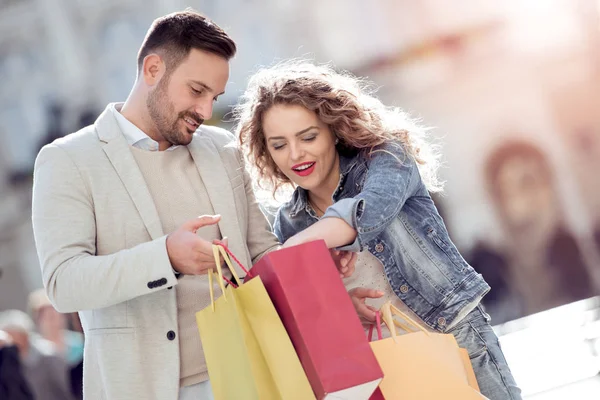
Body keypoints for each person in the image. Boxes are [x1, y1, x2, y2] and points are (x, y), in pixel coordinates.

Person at [32, 10, 282, 400]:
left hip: (252, 374)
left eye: (213, 97)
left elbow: (263, 252)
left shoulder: (222, 148)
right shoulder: (67, 159)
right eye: (196, 90)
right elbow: (64, 282)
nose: (205, 110)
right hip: (148, 388)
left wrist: (326, 295)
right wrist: (165, 257)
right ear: (152, 69)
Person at [236, 60, 522, 399]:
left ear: (333, 129)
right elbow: (312, 314)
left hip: (455, 335)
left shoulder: (386, 159)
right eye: (279, 144)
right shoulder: (290, 221)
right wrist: (344, 305)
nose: (296, 154)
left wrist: (295, 249)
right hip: (383, 366)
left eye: (308, 136)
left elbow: (367, 212)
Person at [0, 310, 74, 400]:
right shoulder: (7, 361)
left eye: (14, 336)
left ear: (25, 335)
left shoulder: (49, 357)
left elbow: (69, 390)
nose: (10, 342)